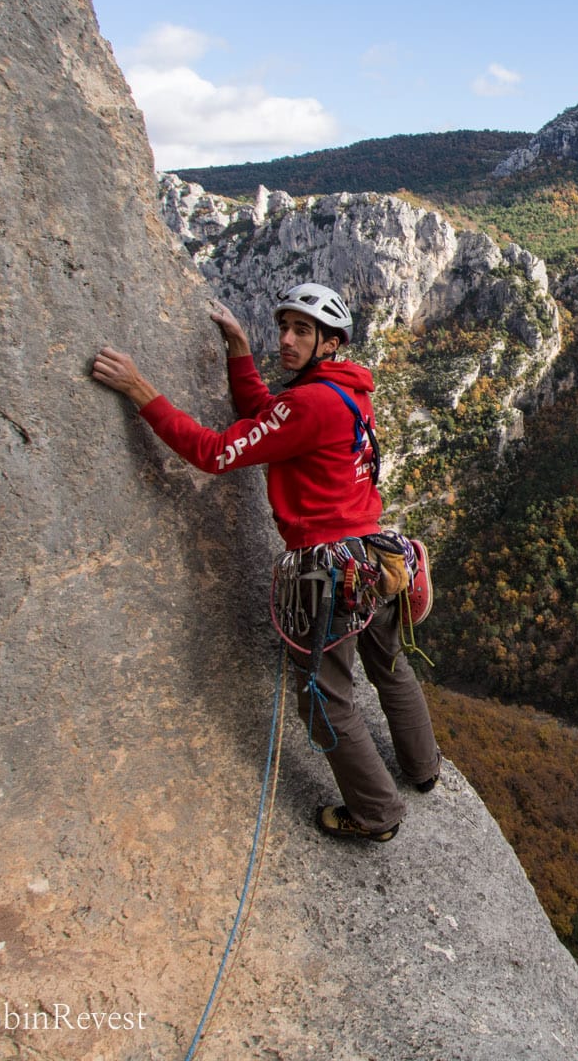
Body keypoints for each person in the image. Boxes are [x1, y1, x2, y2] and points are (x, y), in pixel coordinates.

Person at [91, 282, 440, 843]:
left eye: (302, 331)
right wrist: (237, 350)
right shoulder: (349, 391)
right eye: (283, 328)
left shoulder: (310, 402)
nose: (285, 340)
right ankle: (423, 770)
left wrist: (140, 389)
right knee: (390, 664)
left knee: (325, 699)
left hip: (331, 570)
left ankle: (377, 814)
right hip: (377, 560)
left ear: (330, 341)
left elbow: (213, 452)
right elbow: (269, 417)